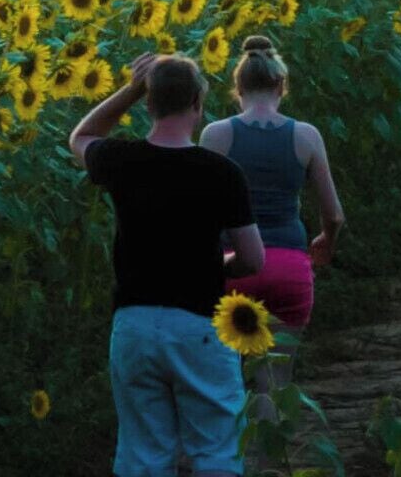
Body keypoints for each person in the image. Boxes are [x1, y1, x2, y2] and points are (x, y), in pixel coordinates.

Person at [71, 53, 265, 477]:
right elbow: (252, 259)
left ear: (147, 105)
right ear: (197, 103)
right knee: (215, 451)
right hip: (198, 326)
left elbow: (81, 136)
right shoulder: (222, 173)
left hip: (135, 324)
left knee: (143, 455)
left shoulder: (121, 161)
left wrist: (132, 87)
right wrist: (220, 263)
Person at [199, 37, 346, 337]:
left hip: (231, 267)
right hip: (288, 267)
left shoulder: (216, 135)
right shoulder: (306, 136)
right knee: (277, 377)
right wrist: (326, 241)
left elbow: (200, 212)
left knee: (228, 374)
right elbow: (334, 216)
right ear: (281, 86)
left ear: (238, 88)